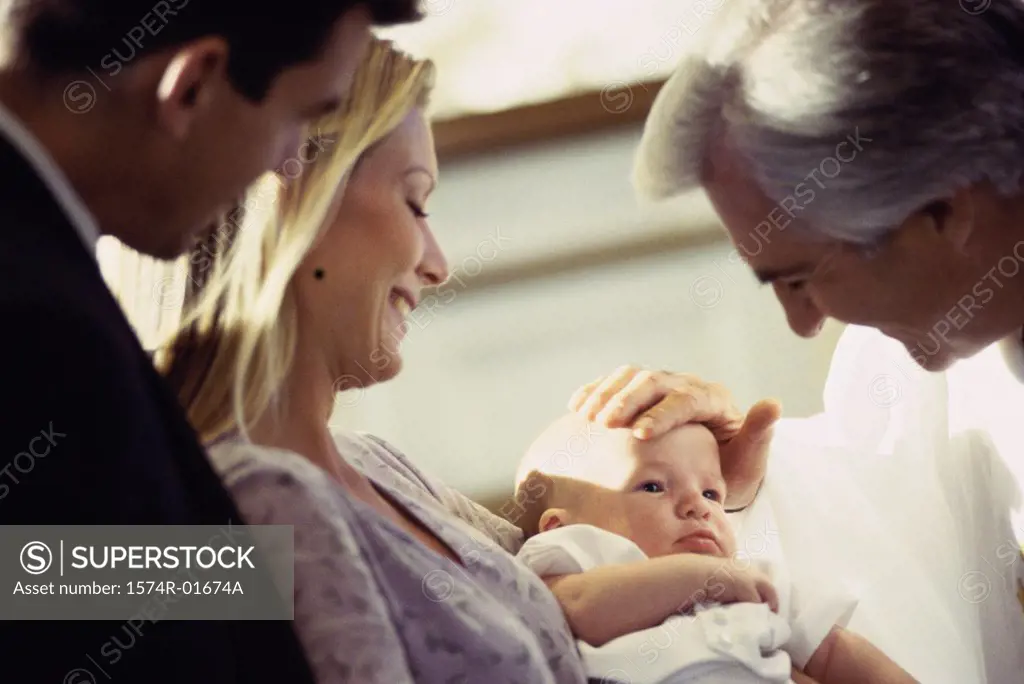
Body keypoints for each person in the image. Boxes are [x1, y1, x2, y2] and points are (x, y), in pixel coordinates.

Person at [157, 38, 783, 683]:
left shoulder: (381, 468)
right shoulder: (255, 496)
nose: (437, 264)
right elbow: (56, 585)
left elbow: (578, 554)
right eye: (415, 201)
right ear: (296, 192)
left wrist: (689, 473)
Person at [0, 1, 420, 682]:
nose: (287, 166)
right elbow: (31, 581)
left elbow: (44, 558)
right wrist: (302, 560)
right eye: (301, 118)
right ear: (192, 85)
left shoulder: (45, 266)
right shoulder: (34, 309)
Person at [631, 0, 1024, 681]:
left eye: (799, 279)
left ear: (944, 210)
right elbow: (889, 509)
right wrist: (726, 483)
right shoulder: (911, 362)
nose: (805, 323)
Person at [514, 412, 914, 684]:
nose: (698, 506)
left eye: (711, 492)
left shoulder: (757, 578)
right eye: (652, 486)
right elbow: (576, 608)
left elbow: (831, 653)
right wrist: (699, 577)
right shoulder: (580, 554)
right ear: (558, 524)